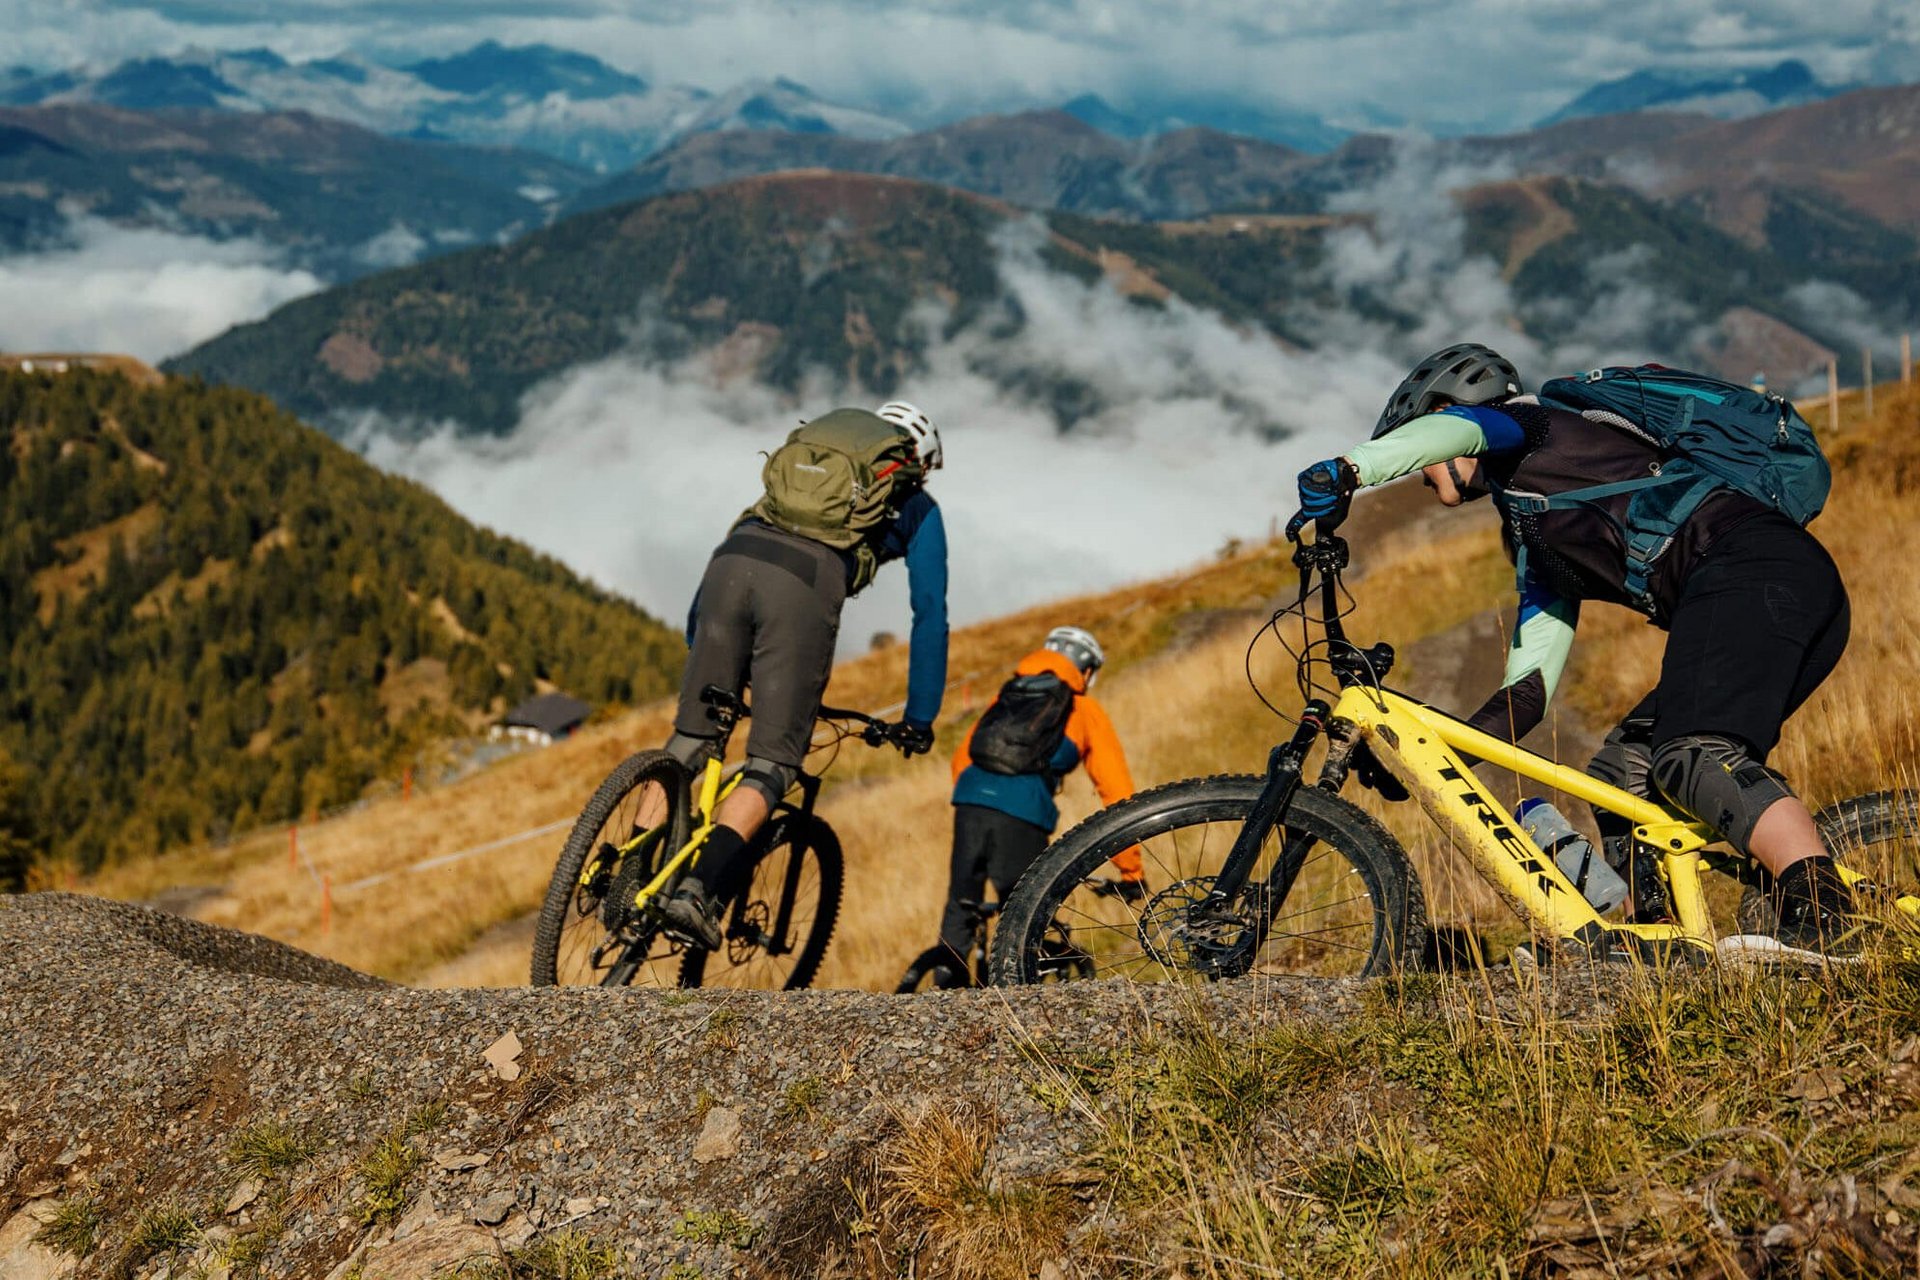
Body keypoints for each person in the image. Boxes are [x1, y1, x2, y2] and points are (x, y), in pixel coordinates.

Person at [1286, 343, 1853, 954]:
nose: (1424, 474)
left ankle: (1824, 916)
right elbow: (1526, 694)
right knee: (1623, 768)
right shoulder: (1537, 536)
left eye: (1423, 445)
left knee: (1695, 752)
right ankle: (1655, 935)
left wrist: (1351, 469)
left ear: (1444, 415)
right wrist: (1429, 756)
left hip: (1755, 571)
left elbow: (1466, 428)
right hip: (1765, 588)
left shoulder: (1536, 426)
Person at [657, 401, 949, 948]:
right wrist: (920, 715)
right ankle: (697, 892)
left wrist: (701, 636)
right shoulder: (917, 505)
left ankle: (618, 873)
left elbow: (743, 526)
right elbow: (930, 611)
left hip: (730, 564)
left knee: (692, 737)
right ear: (918, 461)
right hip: (801, 588)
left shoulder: (805, 470)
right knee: (772, 763)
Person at [911, 625, 1145, 987]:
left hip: (970, 804)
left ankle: (945, 1000)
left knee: (961, 906)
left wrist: (982, 796)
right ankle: (1017, 1010)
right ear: (1085, 669)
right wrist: (1131, 872)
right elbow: (1115, 790)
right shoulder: (1083, 708)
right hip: (1024, 814)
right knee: (1024, 916)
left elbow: (962, 759)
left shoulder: (1007, 695)